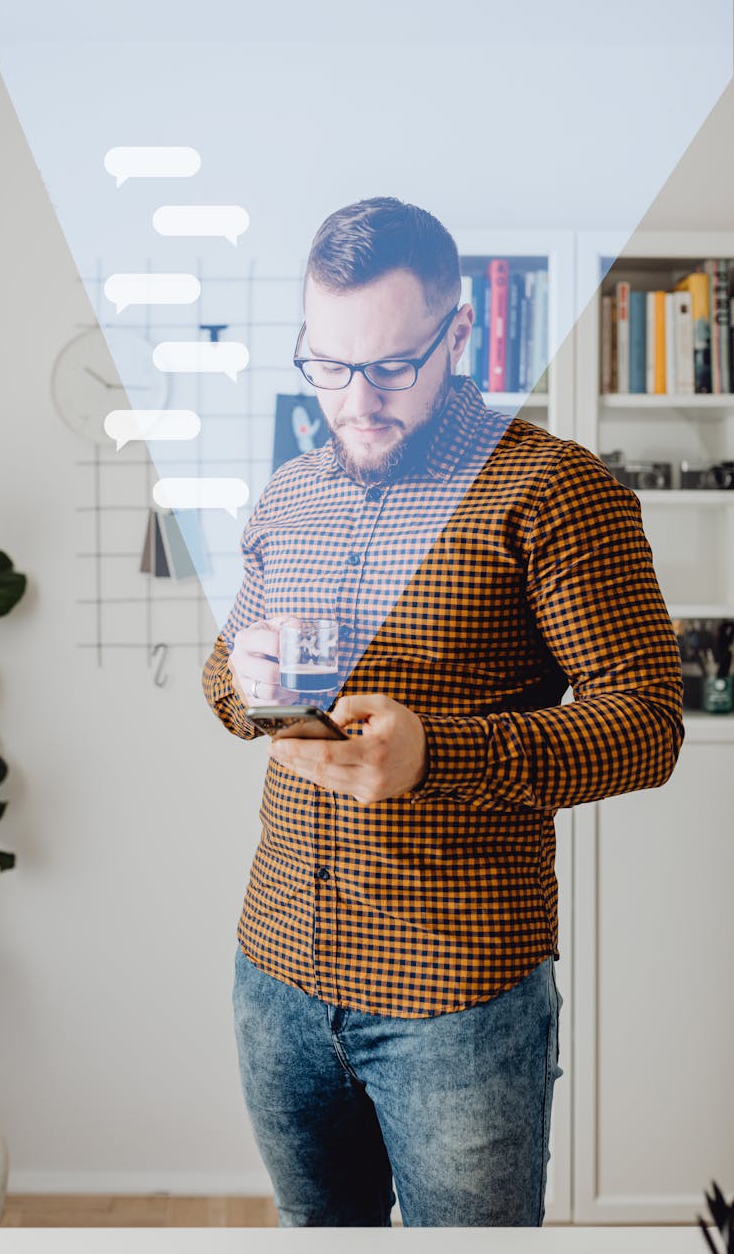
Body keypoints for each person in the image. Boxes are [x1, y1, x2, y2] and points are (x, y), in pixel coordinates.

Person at [201, 197, 684, 1227]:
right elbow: (223, 672)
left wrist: (436, 752)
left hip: (457, 998)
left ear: (458, 334)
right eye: (328, 365)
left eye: (390, 366)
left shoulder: (555, 488)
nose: (356, 398)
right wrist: (243, 678)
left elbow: (648, 722)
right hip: (276, 969)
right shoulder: (289, 494)